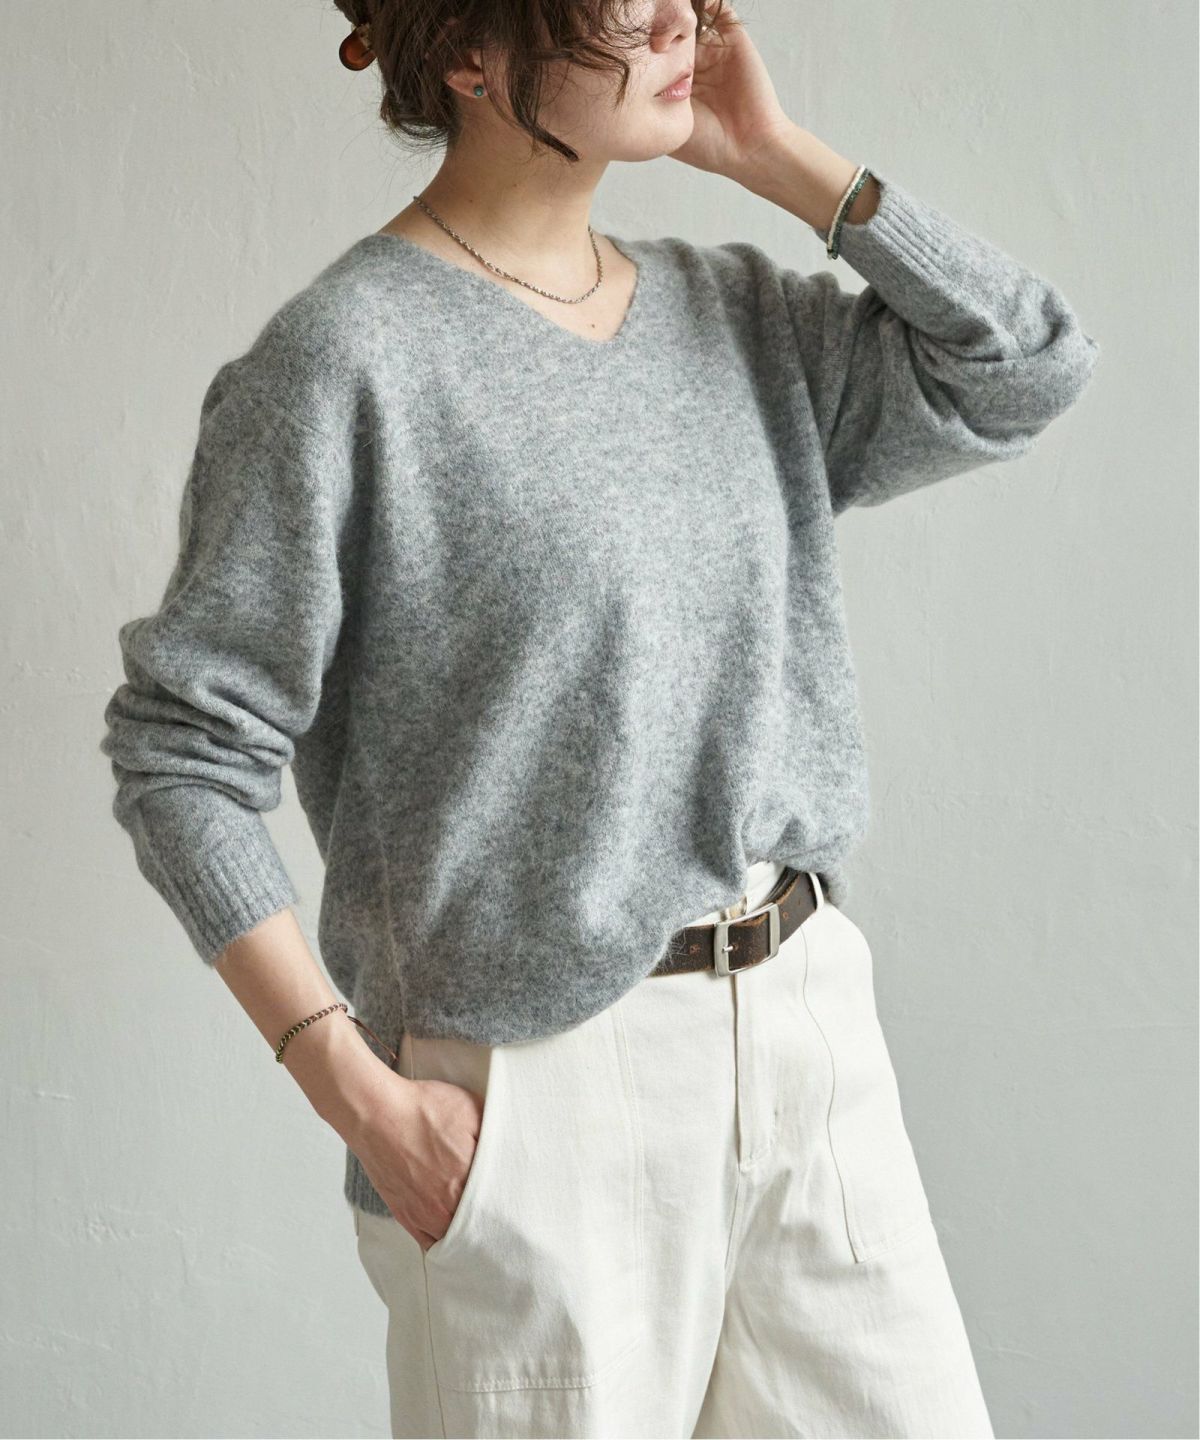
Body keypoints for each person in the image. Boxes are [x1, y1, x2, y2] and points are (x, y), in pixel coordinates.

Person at [98, 1, 1101, 1435]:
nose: (682, 15)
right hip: (543, 1099)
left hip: (805, 1032)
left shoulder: (735, 314)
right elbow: (184, 751)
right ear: (471, 51)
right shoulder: (344, 362)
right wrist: (354, 1090)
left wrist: (782, 159)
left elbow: (1028, 364)